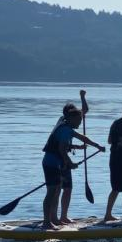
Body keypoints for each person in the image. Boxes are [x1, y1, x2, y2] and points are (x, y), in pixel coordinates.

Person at [42, 108, 105, 229]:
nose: (80, 122)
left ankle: (53, 219)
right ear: (71, 119)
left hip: (55, 164)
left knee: (55, 191)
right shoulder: (65, 130)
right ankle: (46, 222)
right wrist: (70, 163)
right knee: (51, 193)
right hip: (51, 164)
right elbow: (61, 150)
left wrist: (97, 146)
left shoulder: (67, 128)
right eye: (79, 120)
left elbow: (83, 138)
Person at [51, 91, 90, 224]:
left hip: (65, 161)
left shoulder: (71, 121)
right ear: (67, 115)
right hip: (58, 161)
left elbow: (85, 110)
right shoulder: (63, 124)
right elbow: (59, 146)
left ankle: (63, 216)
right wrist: (83, 97)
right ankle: (53, 218)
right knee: (56, 190)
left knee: (67, 189)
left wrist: (82, 98)